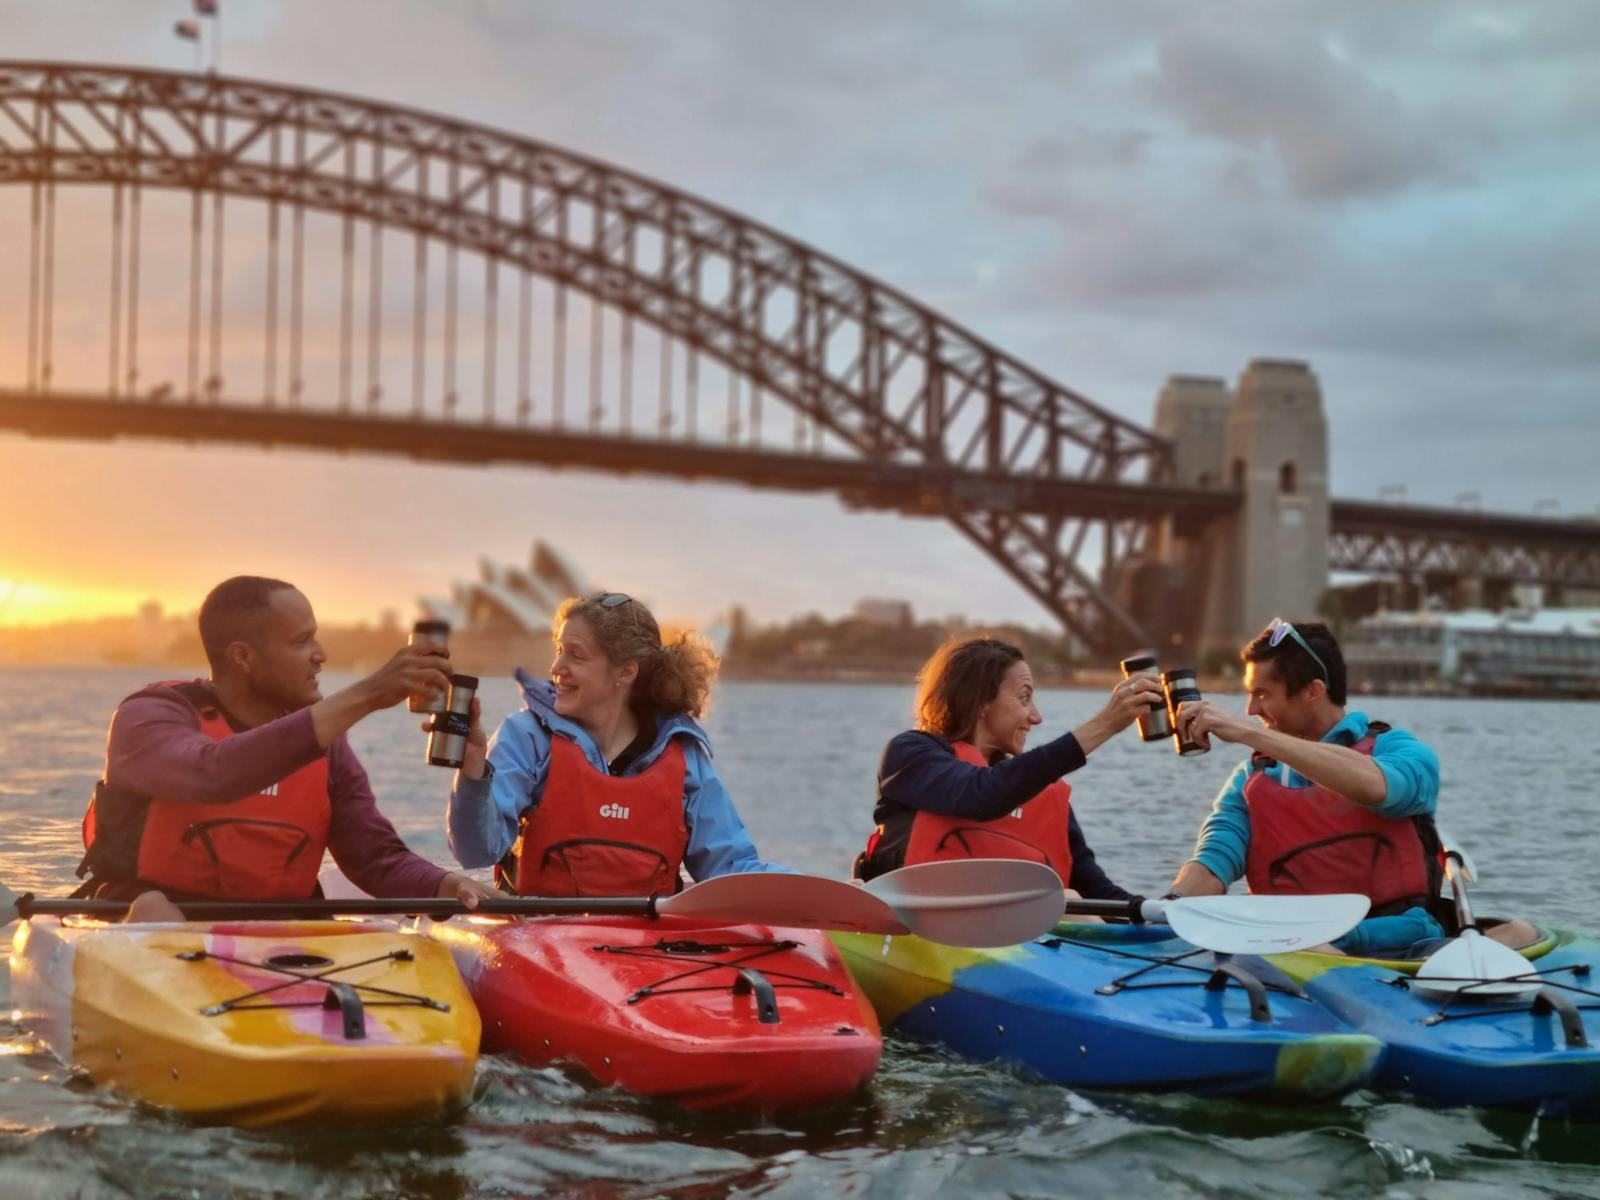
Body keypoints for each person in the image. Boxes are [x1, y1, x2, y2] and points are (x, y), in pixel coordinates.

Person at [76, 576, 496, 921]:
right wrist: (369, 693)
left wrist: (448, 885)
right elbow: (215, 774)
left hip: (280, 927)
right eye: (301, 641)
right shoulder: (149, 716)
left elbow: (374, 858)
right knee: (152, 911)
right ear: (243, 656)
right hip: (156, 922)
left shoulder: (325, 742)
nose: (321, 655)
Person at [1168, 618, 1536, 954]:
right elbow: (1212, 864)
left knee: (1523, 931)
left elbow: (1378, 786)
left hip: (1404, 946)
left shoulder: (1402, 751)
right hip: (1291, 947)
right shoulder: (1251, 780)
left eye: (1262, 694)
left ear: (1313, 692)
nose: (1250, 710)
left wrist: (1249, 735)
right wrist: (1171, 906)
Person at [445, 592, 784, 895]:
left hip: (646, 951)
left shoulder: (684, 756)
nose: (555, 668)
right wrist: (473, 769)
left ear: (625, 673)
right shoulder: (526, 738)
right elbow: (475, 851)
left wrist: (809, 893)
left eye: (575, 655)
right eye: (559, 651)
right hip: (541, 941)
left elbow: (730, 869)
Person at [852, 635, 1162, 913]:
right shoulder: (910, 754)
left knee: (1073, 898)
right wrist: (1105, 724)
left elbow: (1099, 893)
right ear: (981, 702)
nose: (1036, 717)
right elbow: (983, 795)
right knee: (1068, 897)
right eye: (1024, 698)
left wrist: (1158, 913)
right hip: (919, 927)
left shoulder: (1041, 788)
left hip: (1025, 943)